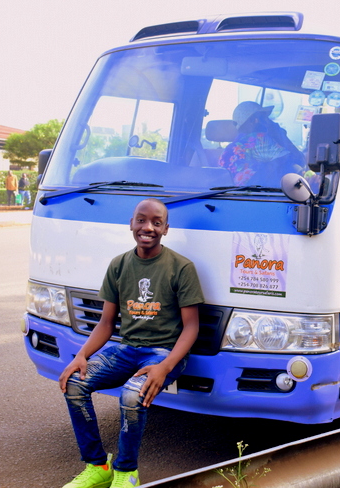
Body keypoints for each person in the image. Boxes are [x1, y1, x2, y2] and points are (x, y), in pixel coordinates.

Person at [59, 198, 203, 488]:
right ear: (131, 224)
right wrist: (81, 355)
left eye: (156, 222)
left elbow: (191, 327)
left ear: (165, 229)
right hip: (127, 349)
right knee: (74, 383)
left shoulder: (181, 267)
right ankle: (98, 466)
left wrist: (165, 367)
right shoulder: (119, 265)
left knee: (130, 396)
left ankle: (127, 473)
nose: (147, 227)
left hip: (163, 353)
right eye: (141, 220)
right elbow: (106, 323)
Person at [219, 101, 304, 186]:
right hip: (266, 195)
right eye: (265, 118)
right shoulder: (261, 141)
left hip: (233, 197)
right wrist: (279, 133)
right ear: (255, 120)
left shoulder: (227, 151)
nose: (269, 122)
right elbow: (298, 160)